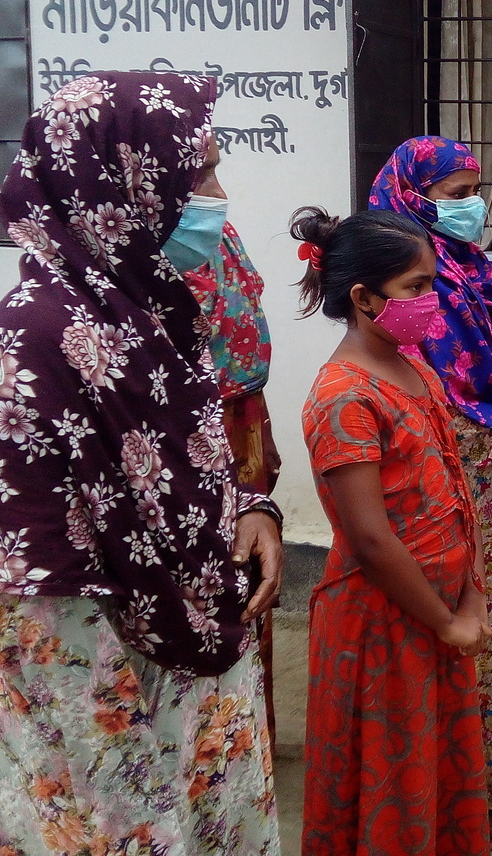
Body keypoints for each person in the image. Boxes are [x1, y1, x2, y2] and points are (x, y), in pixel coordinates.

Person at [0, 72, 283, 855]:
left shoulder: (143, 309)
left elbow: (179, 471)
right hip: (97, 697)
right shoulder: (35, 344)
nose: (216, 195)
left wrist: (252, 507)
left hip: (189, 671)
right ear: (116, 186)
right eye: (200, 175)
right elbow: (32, 616)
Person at [294, 206, 492, 856]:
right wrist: (445, 621)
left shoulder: (416, 369)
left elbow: (456, 493)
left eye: (433, 282)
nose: (431, 300)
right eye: (415, 287)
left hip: (439, 618)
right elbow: (371, 541)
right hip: (384, 631)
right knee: (390, 794)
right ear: (362, 298)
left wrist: (472, 596)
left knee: (435, 783)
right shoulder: (342, 397)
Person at [368, 137, 492, 814]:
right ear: (411, 200)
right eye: (456, 196)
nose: (474, 207)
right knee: (456, 633)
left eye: (477, 191)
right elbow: (402, 399)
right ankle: (461, 800)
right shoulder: (401, 294)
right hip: (440, 504)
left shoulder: (479, 278)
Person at [184, 216, 283, 747]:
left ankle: (253, 737)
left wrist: (260, 434)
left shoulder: (213, 233)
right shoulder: (136, 248)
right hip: (183, 429)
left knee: (249, 579)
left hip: (241, 423)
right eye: (203, 172)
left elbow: (242, 338)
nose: (217, 194)